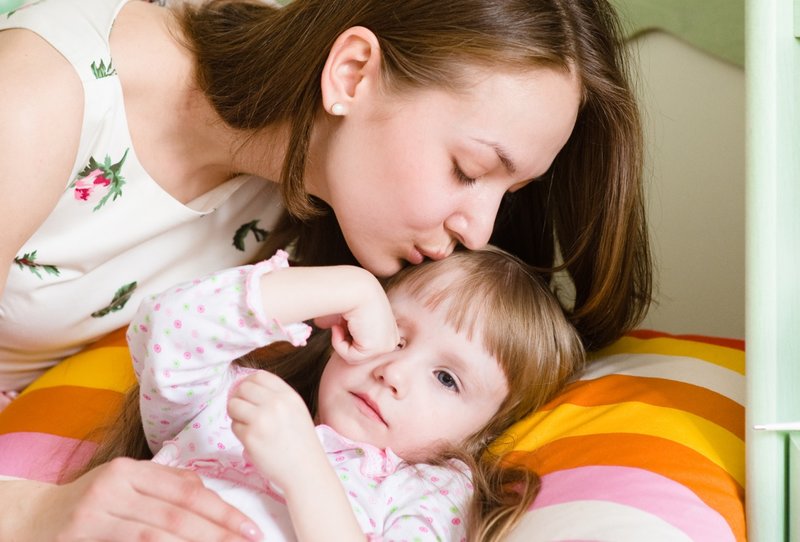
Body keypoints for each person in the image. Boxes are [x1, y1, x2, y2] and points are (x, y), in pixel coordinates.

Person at [0, 0, 648, 538]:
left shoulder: (323, 201)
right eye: (468, 171)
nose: (477, 231)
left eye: (506, 193)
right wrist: (35, 512)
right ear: (352, 73)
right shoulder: (37, 98)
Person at [74, 247, 585, 541]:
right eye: (396, 334)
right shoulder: (238, 403)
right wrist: (350, 288)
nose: (395, 371)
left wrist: (304, 472)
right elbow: (165, 328)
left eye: (446, 378)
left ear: (481, 436)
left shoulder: (428, 491)